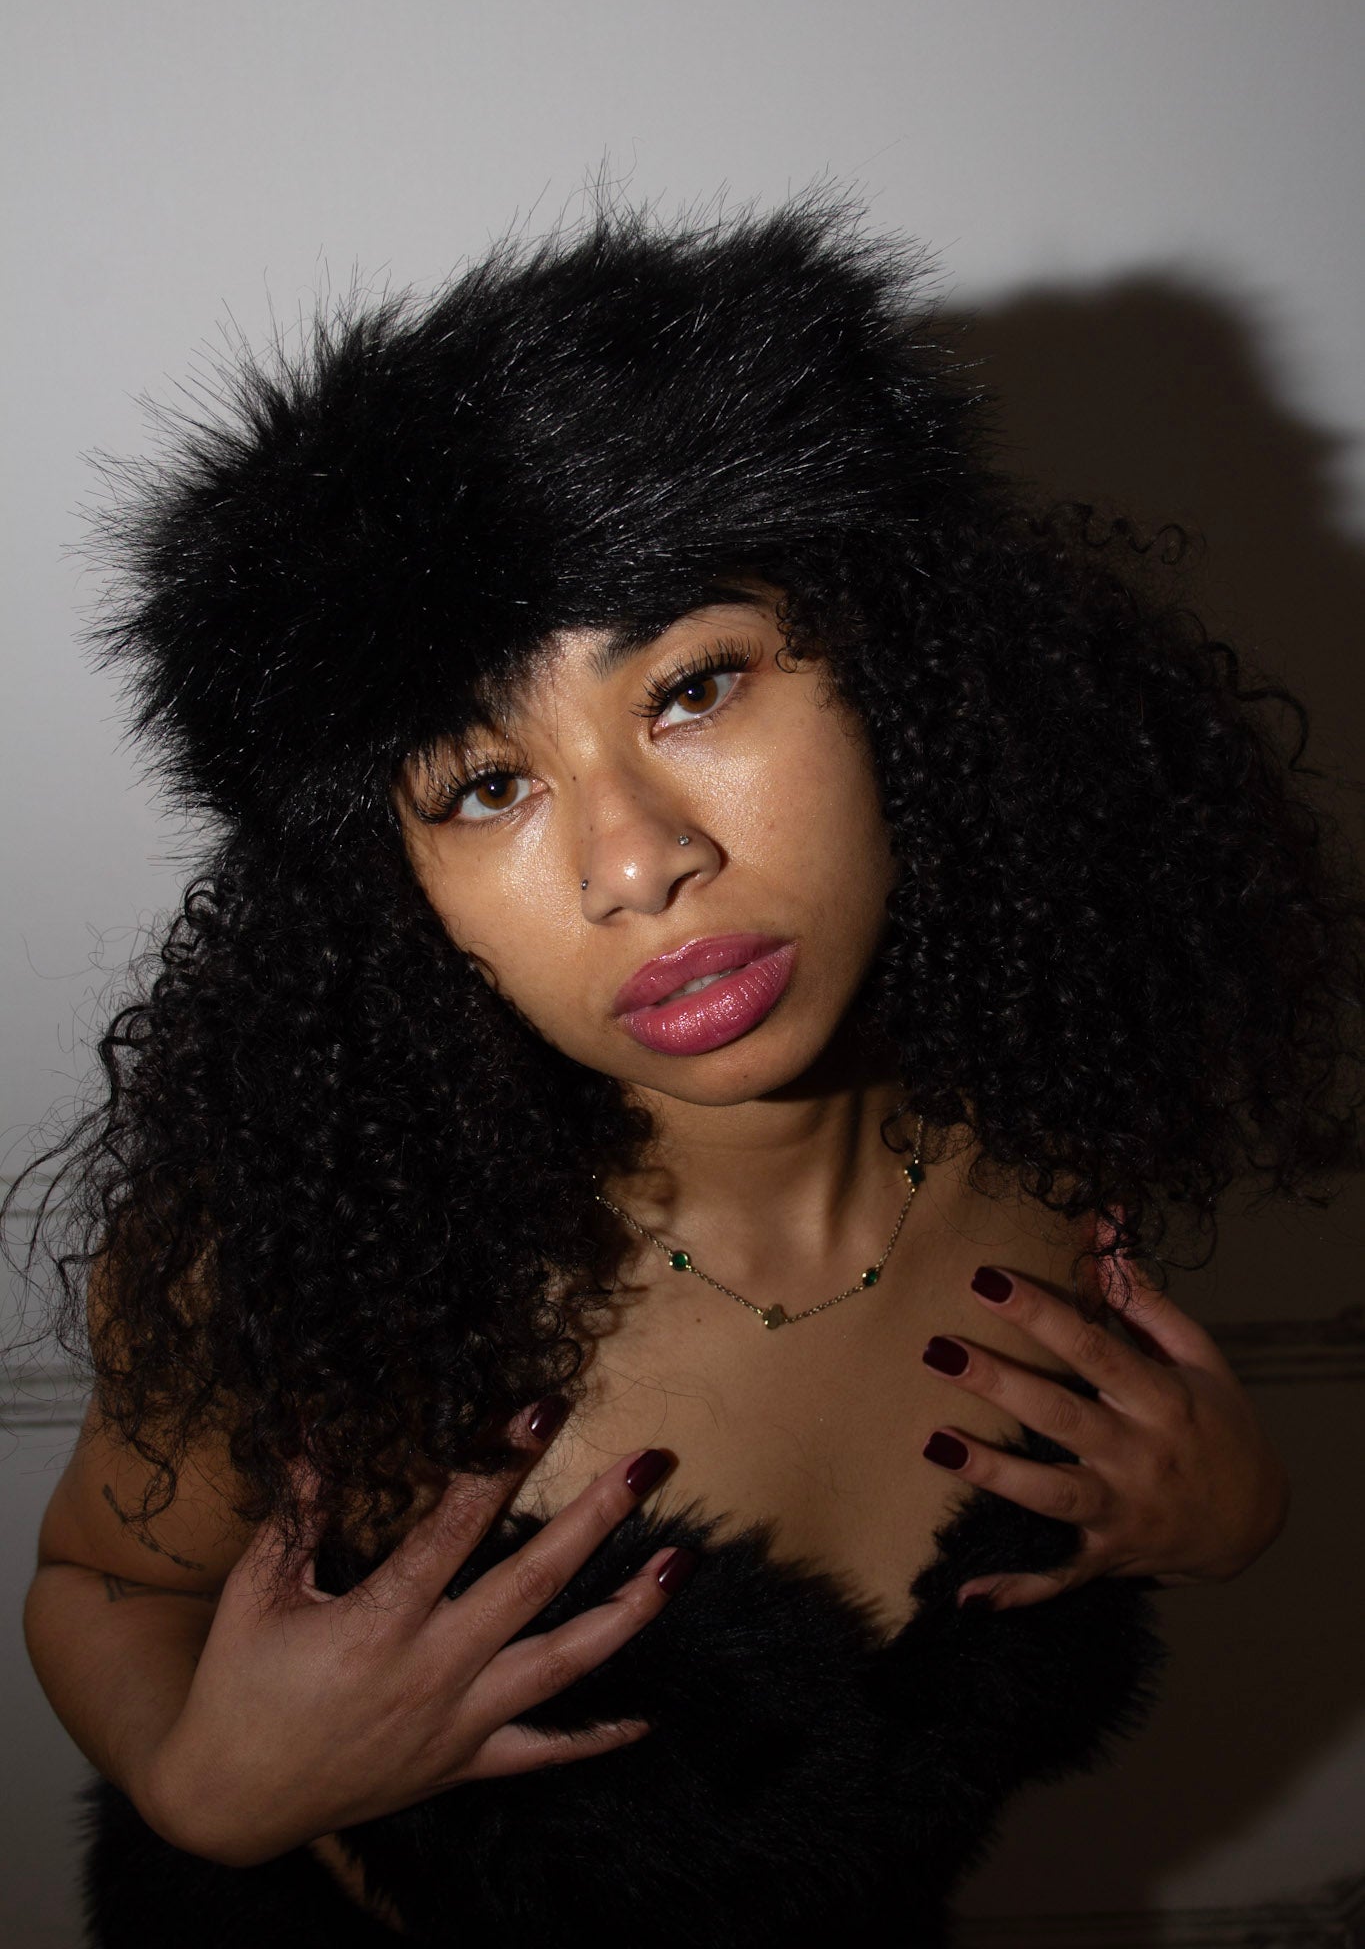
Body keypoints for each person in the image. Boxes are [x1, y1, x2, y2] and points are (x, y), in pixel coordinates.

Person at [15, 200, 1360, 1947]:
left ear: (904, 677)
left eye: (694, 687)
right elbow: (99, 1578)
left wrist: (1231, 1515)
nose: (636, 862)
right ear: (395, 891)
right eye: (485, 786)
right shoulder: (311, 1263)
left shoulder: (1054, 1122)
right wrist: (202, 1790)